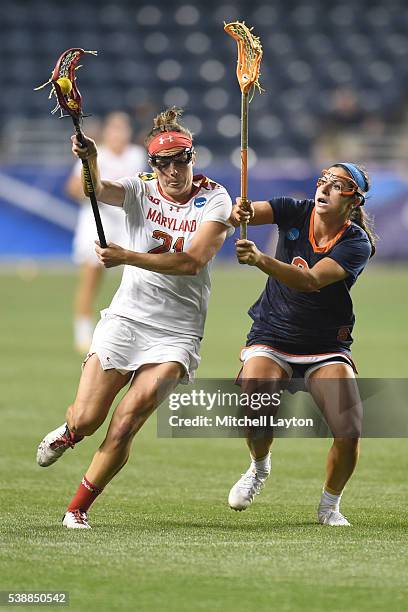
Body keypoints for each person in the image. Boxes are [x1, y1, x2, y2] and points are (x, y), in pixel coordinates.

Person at [36, 107, 233, 529]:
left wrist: (126, 256)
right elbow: (97, 189)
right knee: (87, 419)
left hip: (178, 332)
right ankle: (69, 433)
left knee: (127, 421)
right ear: (153, 166)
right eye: (164, 163)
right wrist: (90, 159)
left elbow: (192, 262)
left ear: (192, 157)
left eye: (182, 160)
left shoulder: (215, 198)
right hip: (127, 319)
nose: (174, 170)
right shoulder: (140, 189)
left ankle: (77, 509)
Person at [228, 163, 375, 526]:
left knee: (349, 428)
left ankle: (329, 505)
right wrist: (239, 211)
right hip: (273, 332)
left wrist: (261, 260)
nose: (325, 188)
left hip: (325, 342)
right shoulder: (295, 210)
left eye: (338, 185)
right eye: (324, 180)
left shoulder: (357, 243)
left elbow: (310, 281)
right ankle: (259, 467)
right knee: (256, 399)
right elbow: (248, 212)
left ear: (353, 200)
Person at [66, 111, 146, 354]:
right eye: (115, 129)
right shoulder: (93, 154)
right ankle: (82, 333)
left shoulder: (136, 155)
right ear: (107, 132)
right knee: (91, 276)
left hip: (126, 221)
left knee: (138, 276)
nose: (119, 134)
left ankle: (136, 329)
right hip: (97, 220)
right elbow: (73, 188)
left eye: (123, 129)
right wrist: (89, 191)